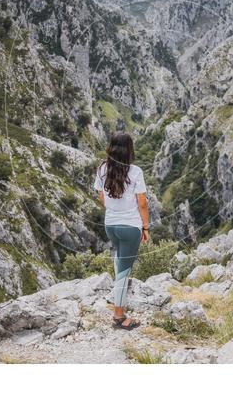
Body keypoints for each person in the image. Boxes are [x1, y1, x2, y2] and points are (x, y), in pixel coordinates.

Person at [93, 132, 150, 330]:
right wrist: (145, 227)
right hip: (130, 227)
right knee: (123, 273)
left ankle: (119, 304)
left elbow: (101, 196)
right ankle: (119, 316)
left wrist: (113, 208)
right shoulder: (135, 172)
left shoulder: (102, 169)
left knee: (120, 265)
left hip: (111, 226)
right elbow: (142, 203)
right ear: (129, 150)